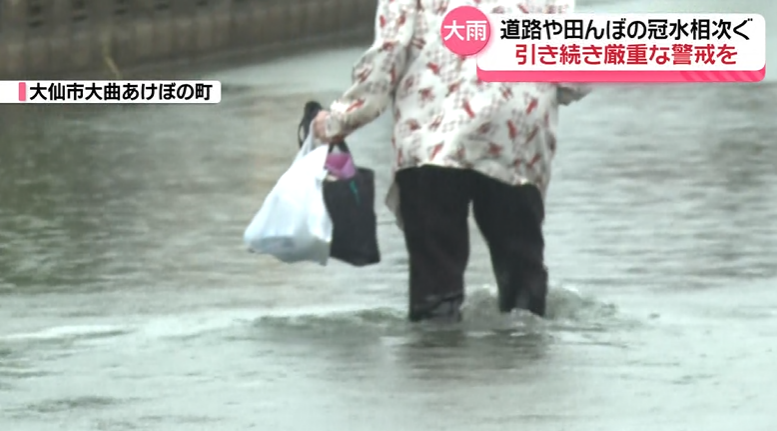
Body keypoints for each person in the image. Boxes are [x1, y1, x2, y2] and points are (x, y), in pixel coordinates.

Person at [312, 0, 590, 322]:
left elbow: (387, 58)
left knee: (436, 284)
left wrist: (336, 122)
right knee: (522, 279)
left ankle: (439, 363)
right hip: (515, 139)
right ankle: (524, 361)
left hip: (433, 138)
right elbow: (573, 78)